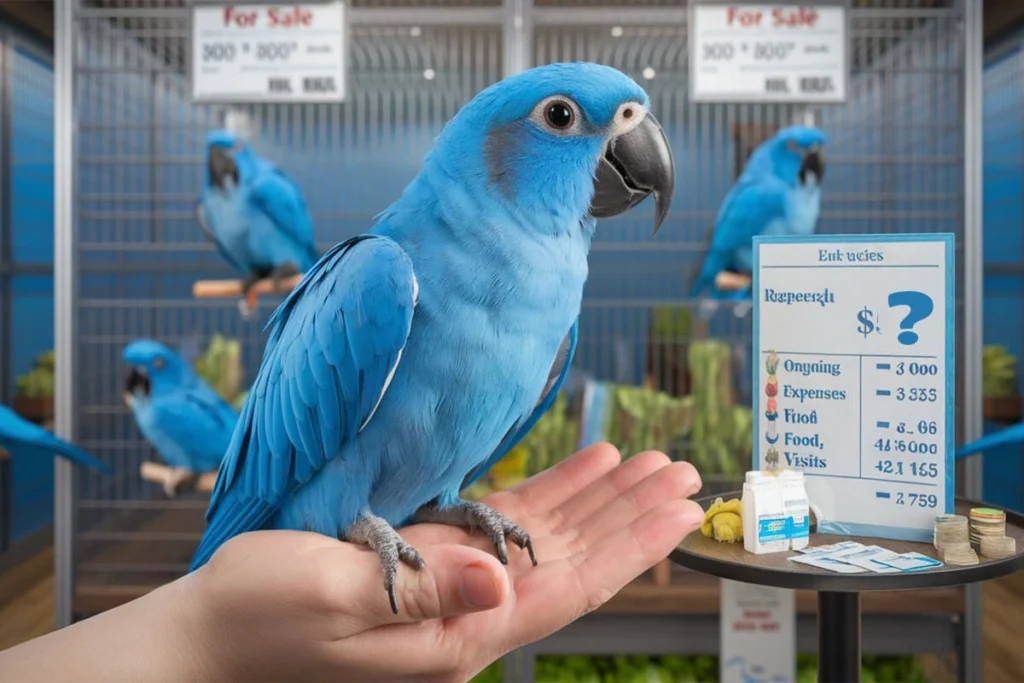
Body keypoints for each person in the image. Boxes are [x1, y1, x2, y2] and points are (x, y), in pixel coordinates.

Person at [0, 443, 703, 682]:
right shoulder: (387, 275)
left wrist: (204, 636)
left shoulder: (555, 323)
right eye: (561, 117)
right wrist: (207, 626)